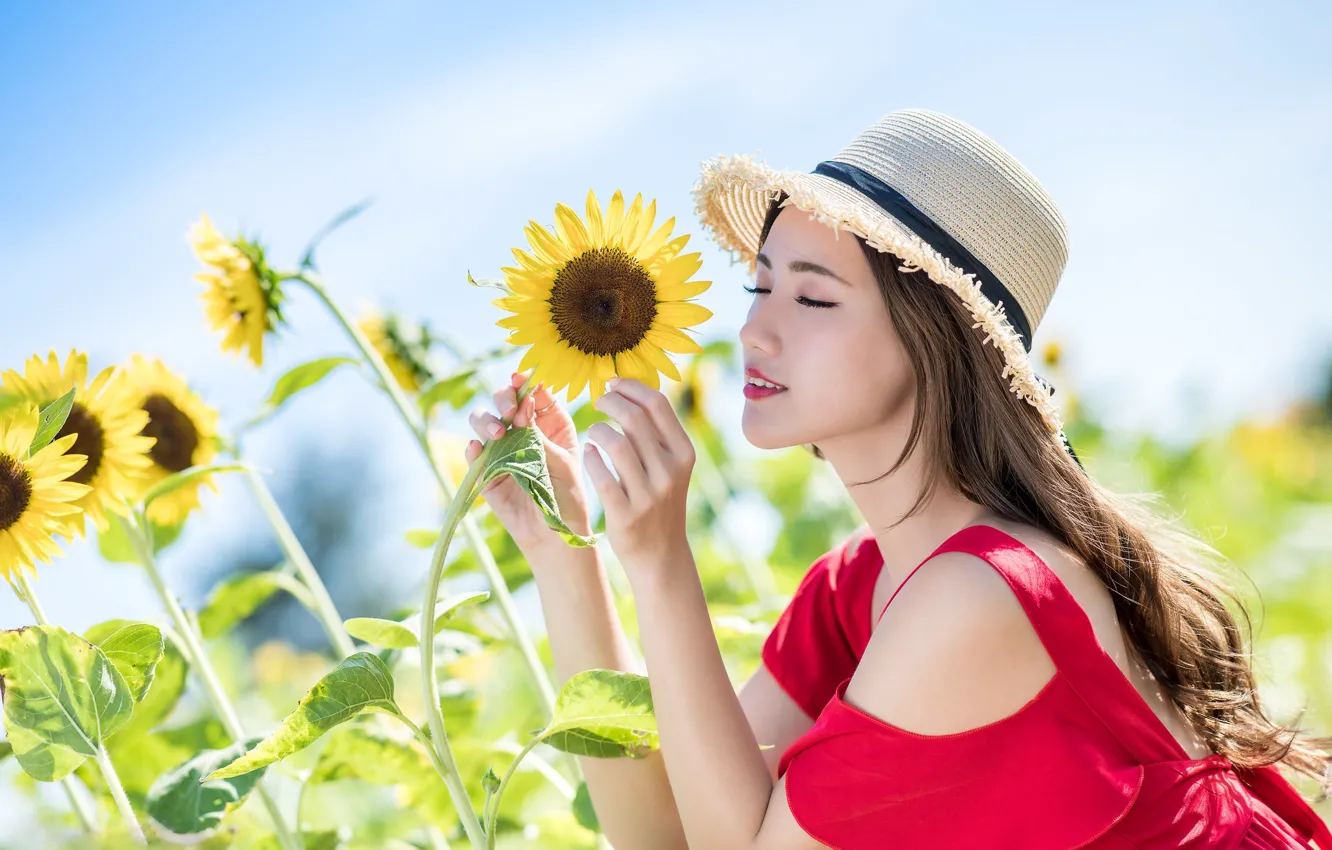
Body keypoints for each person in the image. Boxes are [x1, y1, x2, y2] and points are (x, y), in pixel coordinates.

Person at [464, 109, 1332, 849]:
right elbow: (666, 832)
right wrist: (564, 547)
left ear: (933, 341)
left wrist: (661, 564)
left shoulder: (980, 594)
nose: (755, 334)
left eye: (812, 300)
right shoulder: (862, 588)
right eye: (758, 286)